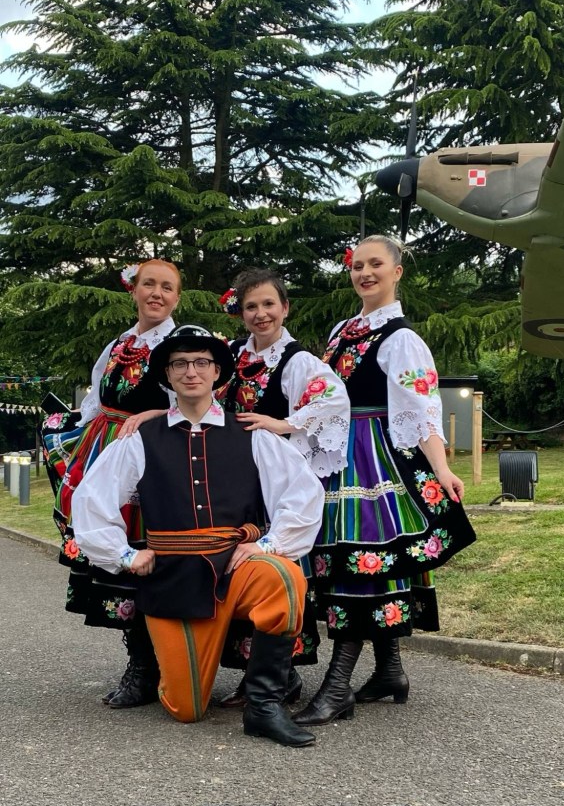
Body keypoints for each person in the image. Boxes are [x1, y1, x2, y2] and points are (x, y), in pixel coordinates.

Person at [72, 325, 324, 748]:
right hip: (172, 579)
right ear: (167, 375)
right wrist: (124, 555)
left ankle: (264, 706)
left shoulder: (250, 433)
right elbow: (92, 499)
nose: (192, 372)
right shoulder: (141, 438)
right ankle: (169, 668)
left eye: (202, 362)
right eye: (180, 364)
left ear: (216, 372)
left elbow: (302, 494)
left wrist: (266, 544)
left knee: (283, 576)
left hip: (236, 569)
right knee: (186, 709)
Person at [294, 235, 477, 726]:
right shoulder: (342, 330)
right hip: (338, 454)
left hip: (376, 460)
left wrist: (441, 468)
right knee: (355, 560)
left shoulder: (401, 339)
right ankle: (389, 670)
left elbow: (422, 409)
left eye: (375, 264)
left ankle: (337, 686)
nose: (365, 273)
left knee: (364, 561)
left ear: (397, 272)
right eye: (357, 266)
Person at [41, 259, 181, 708]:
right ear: (133, 290)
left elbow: (195, 400)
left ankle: (160, 665)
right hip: (107, 451)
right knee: (118, 556)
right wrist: (74, 437)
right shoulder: (120, 343)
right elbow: (96, 401)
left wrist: (153, 413)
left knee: (150, 554)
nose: (157, 293)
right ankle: (140, 663)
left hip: (152, 456)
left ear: (177, 297)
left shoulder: (178, 344)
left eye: (167, 287)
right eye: (149, 284)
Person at [215, 267, 350, 706]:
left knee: (277, 569)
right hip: (235, 479)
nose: (261, 314)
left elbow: (333, 398)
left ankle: (280, 673)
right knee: (239, 566)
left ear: (285, 307)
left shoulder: (298, 361)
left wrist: (284, 423)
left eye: (269, 304)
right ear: (241, 313)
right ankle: (253, 672)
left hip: (273, 481)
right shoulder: (230, 355)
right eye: (251, 306)